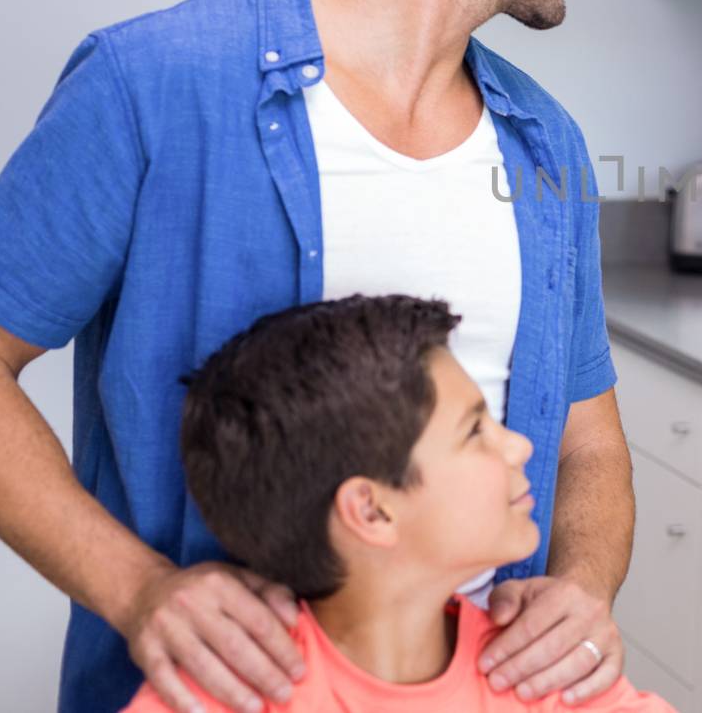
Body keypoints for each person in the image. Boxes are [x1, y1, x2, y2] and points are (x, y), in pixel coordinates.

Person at [0, 0, 632, 713]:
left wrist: (582, 585)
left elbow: (590, 440)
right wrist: (137, 589)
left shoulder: (544, 145)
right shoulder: (152, 87)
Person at [119, 295, 673, 713]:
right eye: (474, 431)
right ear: (373, 510)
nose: (520, 446)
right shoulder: (218, 691)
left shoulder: (548, 673)